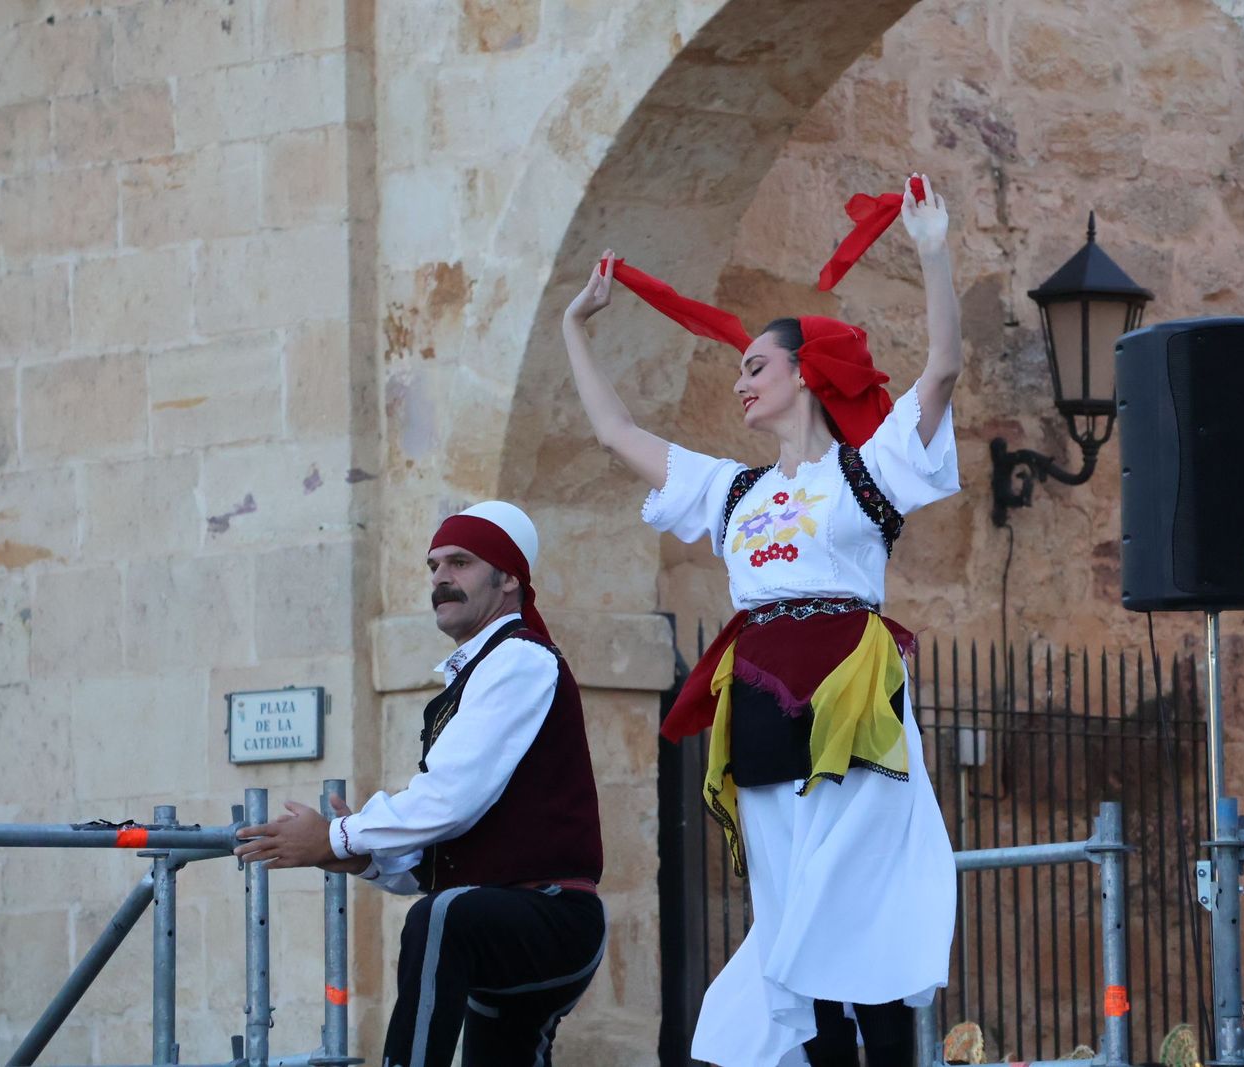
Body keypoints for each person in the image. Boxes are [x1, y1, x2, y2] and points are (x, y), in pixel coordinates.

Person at [560, 174, 962, 1066]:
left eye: (755, 367)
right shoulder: (734, 490)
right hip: (762, 703)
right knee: (790, 918)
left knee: (851, 913)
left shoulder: (869, 471)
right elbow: (618, 435)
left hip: (851, 697)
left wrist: (932, 253)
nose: (741, 382)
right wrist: (572, 329)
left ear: (804, 375)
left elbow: (941, 369)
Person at [234, 501, 606, 1067]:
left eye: (459, 563)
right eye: (433, 566)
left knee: (441, 918)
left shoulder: (518, 661)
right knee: (449, 919)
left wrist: (338, 836)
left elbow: (449, 803)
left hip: (550, 915)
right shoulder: (480, 673)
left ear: (509, 578)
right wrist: (363, 860)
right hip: (505, 918)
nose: (440, 579)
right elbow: (445, 858)